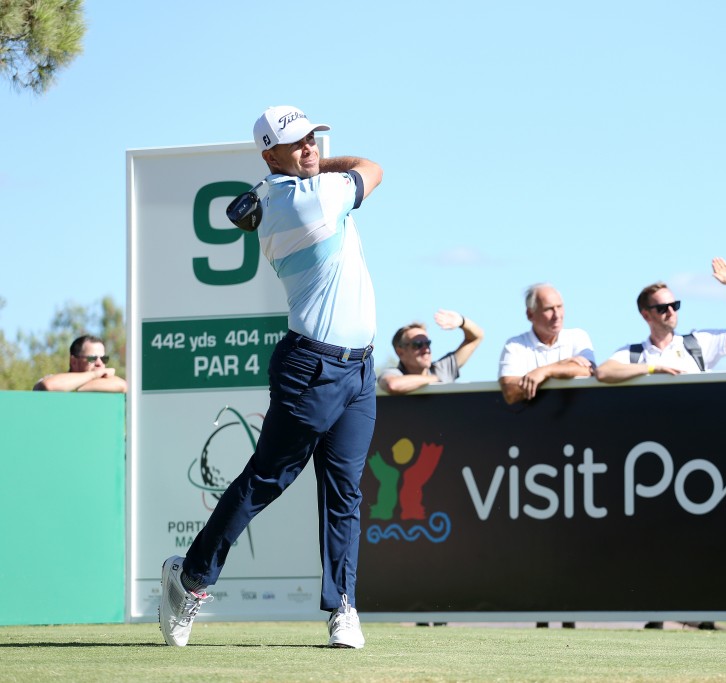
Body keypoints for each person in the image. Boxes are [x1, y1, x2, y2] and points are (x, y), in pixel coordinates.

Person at [158, 105, 383, 649]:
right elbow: (373, 168)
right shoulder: (308, 198)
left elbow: (341, 172)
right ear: (270, 155)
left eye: (314, 140)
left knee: (345, 491)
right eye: (298, 143)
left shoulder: (279, 195)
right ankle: (189, 581)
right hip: (313, 367)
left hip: (360, 368)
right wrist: (334, 165)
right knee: (267, 480)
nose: (311, 149)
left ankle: (343, 608)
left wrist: (306, 168)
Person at [595, 257, 726, 383]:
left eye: (674, 305)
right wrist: (653, 368)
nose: (670, 312)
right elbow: (603, 372)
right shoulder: (634, 354)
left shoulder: (698, 344)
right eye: (662, 308)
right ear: (646, 315)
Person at [497, 284, 596, 405]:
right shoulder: (515, 346)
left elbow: (588, 371)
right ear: (530, 314)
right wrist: (561, 366)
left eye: (559, 307)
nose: (557, 315)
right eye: (548, 309)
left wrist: (545, 372)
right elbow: (511, 392)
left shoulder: (577, 336)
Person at [377, 310, 484, 395]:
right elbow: (393, 385)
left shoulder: (442, 368)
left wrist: (462, 321)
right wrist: (435, 379)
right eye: (418, 344)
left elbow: (475, 338)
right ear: (400, 352)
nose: (426, 349)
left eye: (428, 343)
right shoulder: (393, 373)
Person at [33, 335, 127, 393]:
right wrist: (94, 374)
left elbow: (123, 386)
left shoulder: (106, 382)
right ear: (74, 361)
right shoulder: (54, 379)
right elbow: (49, 385)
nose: (99, 363)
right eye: (92, 358)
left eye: (103, 359)